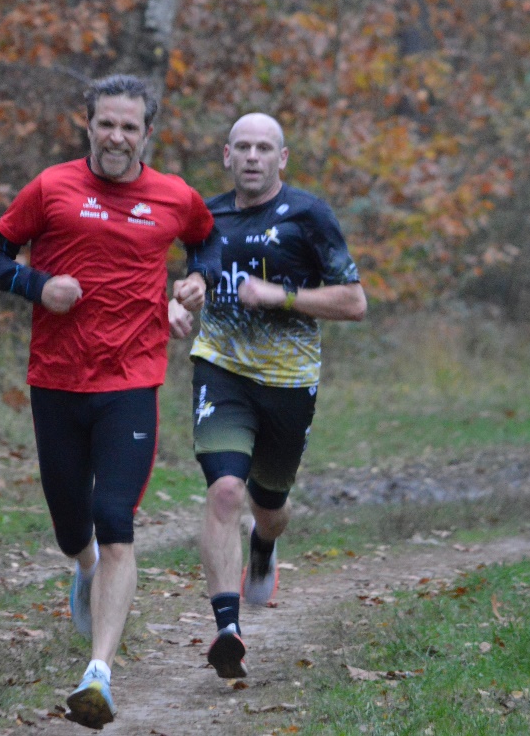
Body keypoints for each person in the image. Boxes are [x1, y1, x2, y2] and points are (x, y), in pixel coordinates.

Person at [0, 74, 212, 729]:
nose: (116, 136)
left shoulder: (174, 196)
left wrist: (193, 281)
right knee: (71, 524)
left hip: (131, 379)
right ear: (88, 123)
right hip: (56, 378)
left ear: (147, 133)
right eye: (106, 123)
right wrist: (36, 283)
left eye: (129, 126)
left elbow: (207, 240)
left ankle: (99, 671)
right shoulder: (50, 188)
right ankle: (83, 568)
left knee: (116, 517)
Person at [169, 112, 366, 680]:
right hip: (222, 371)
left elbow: (354, 302)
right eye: (243, 147)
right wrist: (183, 302)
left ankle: (262, 547)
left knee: (269, 508)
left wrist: (280, 296)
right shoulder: (206, 217)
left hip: (288, 382)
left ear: (281, 159)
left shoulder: (309, 215)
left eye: (264, 148)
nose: (252, 157)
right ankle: (227, 629)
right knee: (225, 490)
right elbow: (199, 279)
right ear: (226, 155)